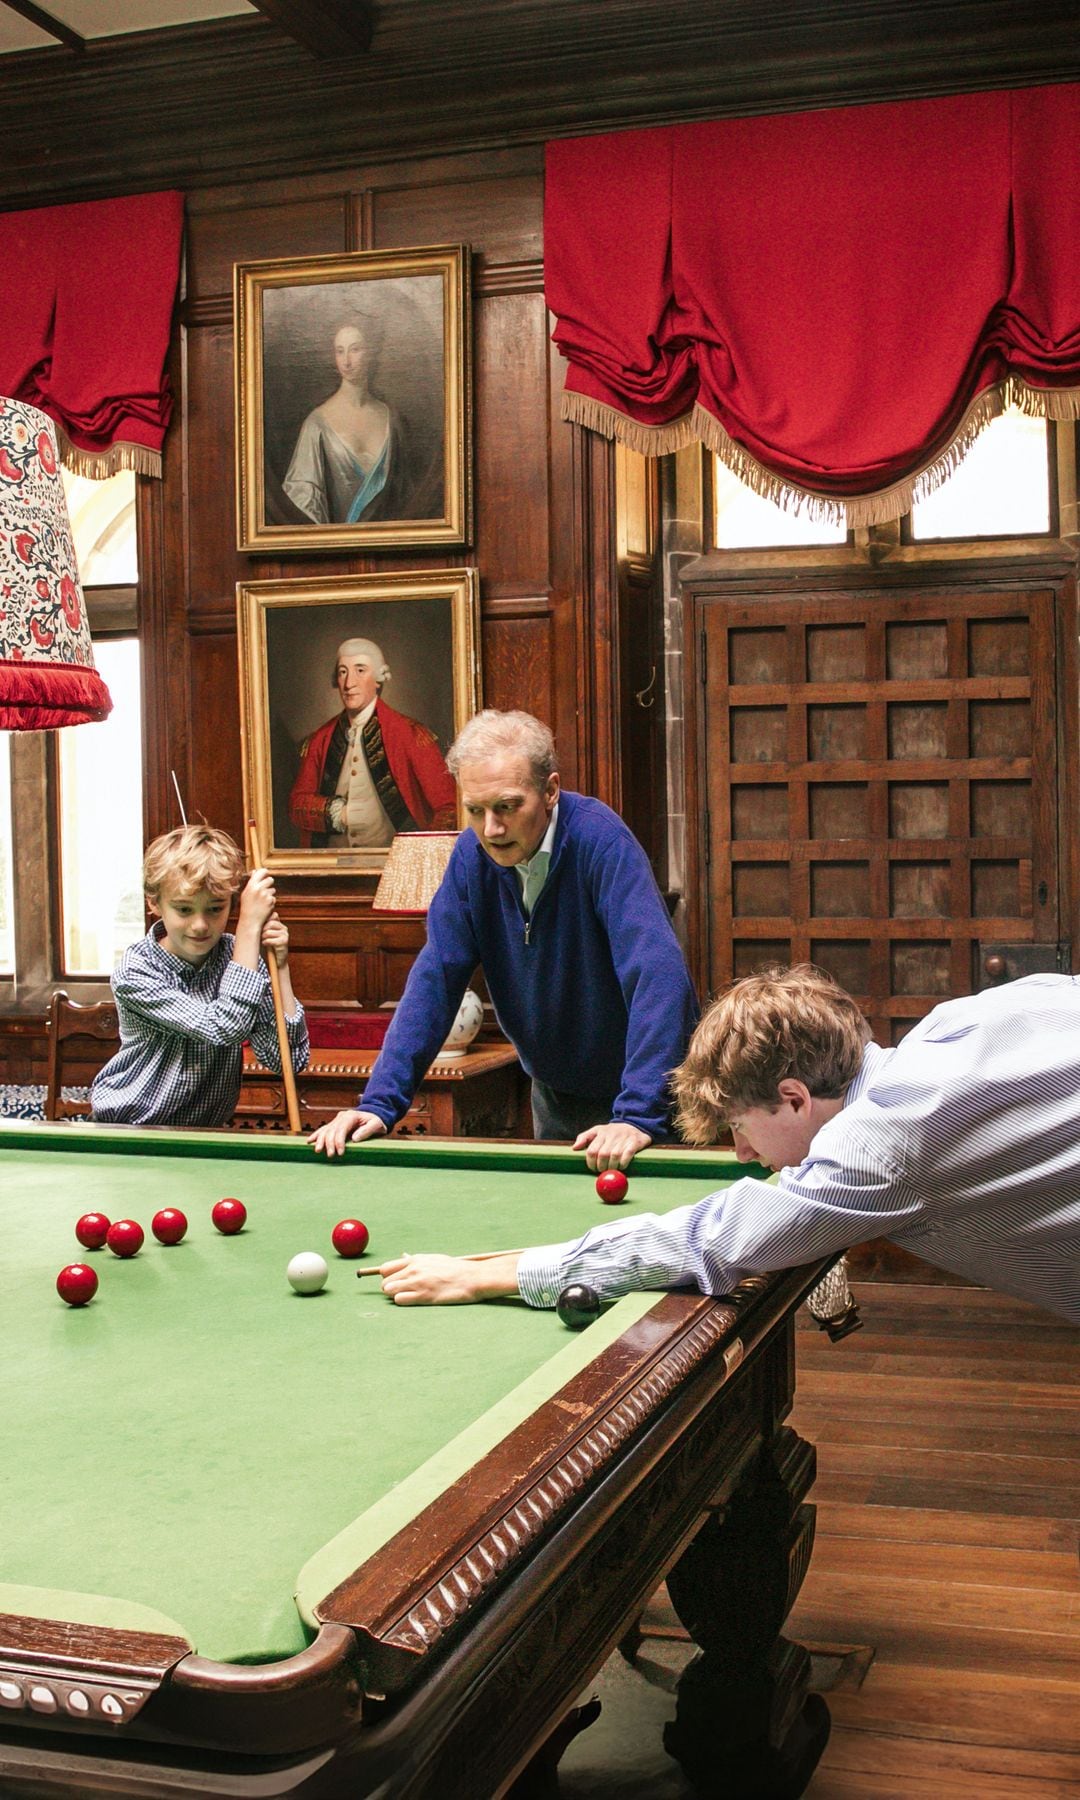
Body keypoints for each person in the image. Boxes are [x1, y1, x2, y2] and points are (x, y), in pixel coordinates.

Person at [371, 963, 1080, 1324]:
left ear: (795, 1098)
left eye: (740, 1127)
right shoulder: (955, 1023)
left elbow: (708, 1239)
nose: (742, 1154)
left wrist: (489, 1274)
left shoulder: (883, 1149)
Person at [309, 708, 699, 1172]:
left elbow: (657, 976)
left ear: (550, 790)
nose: (491, 829)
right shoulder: (470, 858)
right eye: (475, 810)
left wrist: (637, 1115)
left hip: (653, 1098)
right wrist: (378, 1102)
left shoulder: (601, 841)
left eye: (507, 807)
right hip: (557, 1097)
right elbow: (435, 980)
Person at [91, 824, 308, 1129]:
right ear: (155, 903)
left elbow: (287, 1060)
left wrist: (281, 968)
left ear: (230, 902)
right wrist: (249, 926)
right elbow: (222, 1026)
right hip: (129, 1130)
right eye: (183, 909)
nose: (200, 925)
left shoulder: (240, 958)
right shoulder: (135, 970)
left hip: (205, 1132)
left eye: (215, 908)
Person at [288, 636, 457, 848]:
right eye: (343, 672)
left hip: (396, 865)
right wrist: (339, 813)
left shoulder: (411, 734)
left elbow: (449, 807)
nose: (349, 683)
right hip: (332, 866)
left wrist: (425, 853)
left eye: (360, 670)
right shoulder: (320, 739)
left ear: (379, 678)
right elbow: (297, 805)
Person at [282, 312, 442, 526]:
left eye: (355, 349)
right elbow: (303, 497)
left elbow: (406, 496)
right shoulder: (316, 423)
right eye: (340, 351)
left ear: (372, 352)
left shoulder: (393, 420)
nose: (346, 361)